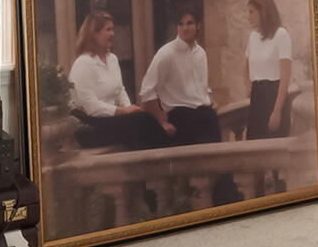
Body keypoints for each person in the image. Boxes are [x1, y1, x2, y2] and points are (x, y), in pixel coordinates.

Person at [66, 8, 172, 150]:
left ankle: (162, 159)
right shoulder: (83, 63)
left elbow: (120, 91)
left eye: (112, 30)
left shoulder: (112, 59)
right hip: (91, 125)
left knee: (141, 121)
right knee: (142, 122)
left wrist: (130, 109)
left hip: (112, 120)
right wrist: (125, 112)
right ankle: (166, 159)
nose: (112, 34)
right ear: (94, 34)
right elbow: (91, 108)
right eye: (108, 30)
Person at [139, 8, 224, 145]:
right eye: (181, 24)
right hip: (181, 118)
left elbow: (202, 85)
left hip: (206, 115)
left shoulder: (200, 53)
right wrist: (162, 122)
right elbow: (147, 91)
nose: (185, 28)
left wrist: (210, 99)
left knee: (219, 159)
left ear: (198, 26)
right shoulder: (166, 54)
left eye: (189, 23)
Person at [246, 0, 298, 138]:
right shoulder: (253, 37)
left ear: (263, 11)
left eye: (251, 12)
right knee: (254, 147)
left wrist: (277, 111)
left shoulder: (281, 35)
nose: (248, 17)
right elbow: (247, 64)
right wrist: (249, 83)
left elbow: (285, 77)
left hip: (274, 95)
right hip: (257, 97)